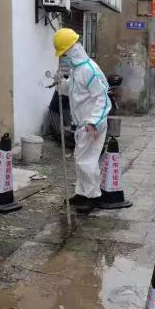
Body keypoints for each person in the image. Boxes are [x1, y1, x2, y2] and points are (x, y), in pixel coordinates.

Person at [53, 28, 111, 214]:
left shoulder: (88, 69)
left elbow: (103, 99)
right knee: (81, 159)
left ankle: (93, 196)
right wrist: (60, 84)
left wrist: (93, 121)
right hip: (82, 125)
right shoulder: (77, 70)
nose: (64, 57)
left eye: (65, 53)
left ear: (73, 49)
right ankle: (82, 193)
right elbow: (73, 92)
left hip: (91, 125)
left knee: (87, 161)